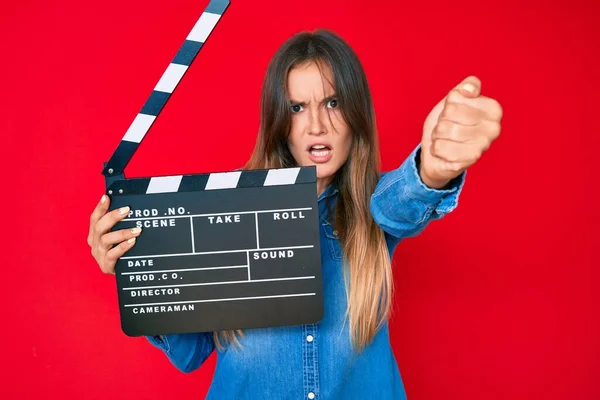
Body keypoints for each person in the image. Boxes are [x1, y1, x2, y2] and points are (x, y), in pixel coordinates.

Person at [87, 29, 502, 399]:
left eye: (333, 103)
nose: (317, 125)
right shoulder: (225, 210)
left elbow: (401, 205)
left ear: (356, 115)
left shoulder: (372, 205)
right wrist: (138, 270)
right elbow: (191, 352)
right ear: (279, 121)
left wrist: (432, 169)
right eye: (298, 107)